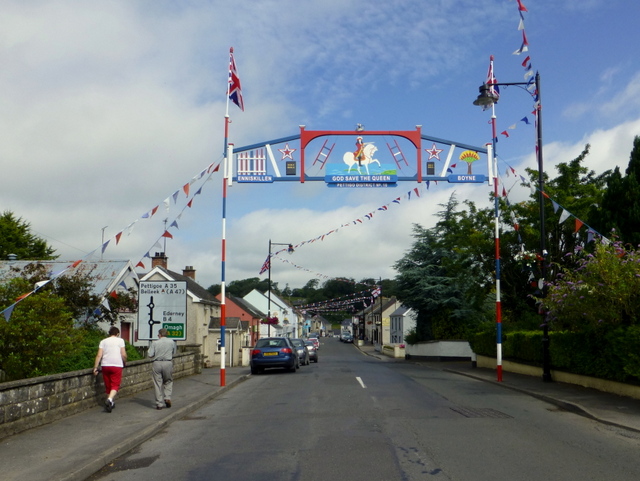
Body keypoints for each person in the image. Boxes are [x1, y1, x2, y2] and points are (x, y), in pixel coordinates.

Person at [93, 326, 127, 413]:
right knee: (115, 385)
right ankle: (110, 399)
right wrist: (125, 362)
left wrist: (95, 367)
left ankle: (110, 403)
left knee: (108, 385)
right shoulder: (120, 341)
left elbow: (99, 355)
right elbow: (123, 354)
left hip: (105, 365)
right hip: (116, 365)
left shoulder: (103, 341)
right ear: (117, 334)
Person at [149, 328, 177, 410]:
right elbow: (174, 353)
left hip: (157, 363)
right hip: (168, 362)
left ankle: (159, 403)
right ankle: (167, 397)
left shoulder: (155, 343)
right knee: (168, 381)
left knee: (157, 384)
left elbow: (150, 354)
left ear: (160, 335)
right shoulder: (172, 342)